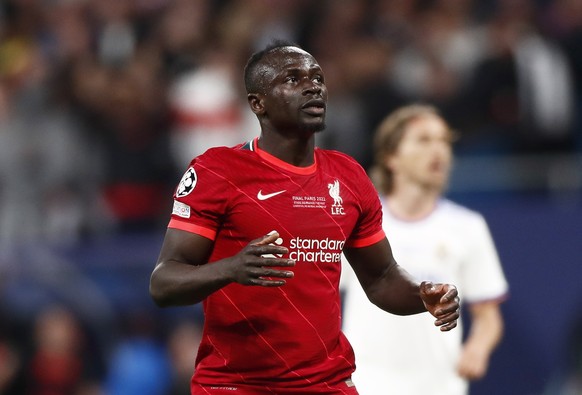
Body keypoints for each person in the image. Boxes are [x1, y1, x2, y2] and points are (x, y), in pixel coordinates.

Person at [149, 41, 461, 395]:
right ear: (258, 104)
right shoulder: (217, 172)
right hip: (235, 386)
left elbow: (382, 278)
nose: (312, 86)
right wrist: (231, 269)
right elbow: (163, 284)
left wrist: (422, 295)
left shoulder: (348, 177)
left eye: (317, 78)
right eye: (292, 79)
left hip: (326, 384)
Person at [341, 104, 509, 395]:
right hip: (366, 384)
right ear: (391, 156)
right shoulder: (357, 222)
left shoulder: (468, 226)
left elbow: (488, 315)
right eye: (424, 140)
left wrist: (478, 349)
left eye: (444, 141)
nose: (439, 151)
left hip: (440, 386)